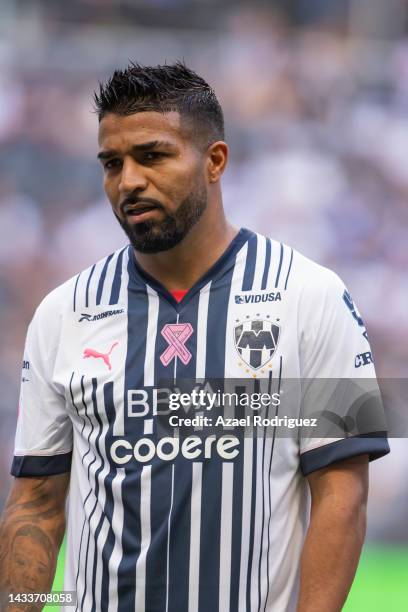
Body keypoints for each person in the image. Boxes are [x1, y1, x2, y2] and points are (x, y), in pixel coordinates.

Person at [0, 62, 389, 612]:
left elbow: (340, 493)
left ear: (215, 161)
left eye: (152, 156)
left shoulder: (309, 296)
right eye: (112, 163)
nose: (128, 180)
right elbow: (35, 504)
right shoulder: (64, 312)